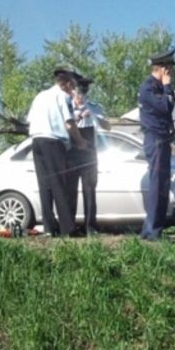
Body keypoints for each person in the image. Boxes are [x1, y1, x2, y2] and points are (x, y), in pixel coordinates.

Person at [26, 67, 88, 237]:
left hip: (36, 140)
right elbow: (69, 123)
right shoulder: (62, 96)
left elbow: (29, 119)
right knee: (59, 184)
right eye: (72, 86)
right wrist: (81, 142)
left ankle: (48, 227)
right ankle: (67, 229)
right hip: (53, 141)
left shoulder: (40, 96)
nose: (72, 90)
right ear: (66, 84)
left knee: (44, 186)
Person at [138, 46, 175, 240]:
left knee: (163, 184)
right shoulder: (148, 87)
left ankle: (155, 229)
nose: (171, 73)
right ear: (162, 68)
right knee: (157, 184)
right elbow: (166, 106)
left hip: (163, 139)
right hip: (155, 139)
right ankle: (152, 230)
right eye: (169, 69)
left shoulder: (158, 87)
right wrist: (168, 86)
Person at [66, 76, 110, 236]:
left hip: (89, 151)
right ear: (73, 92)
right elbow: (63, 127)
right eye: (78, 92)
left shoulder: (94, 107)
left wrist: (93, 115)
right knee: (70, 189)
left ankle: (90, 226)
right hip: (72, 150)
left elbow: (108, 126)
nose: (81, 96)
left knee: (89, 189)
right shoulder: (67, 107)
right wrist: (77, 117)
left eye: (84, 92)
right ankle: (69, 226)